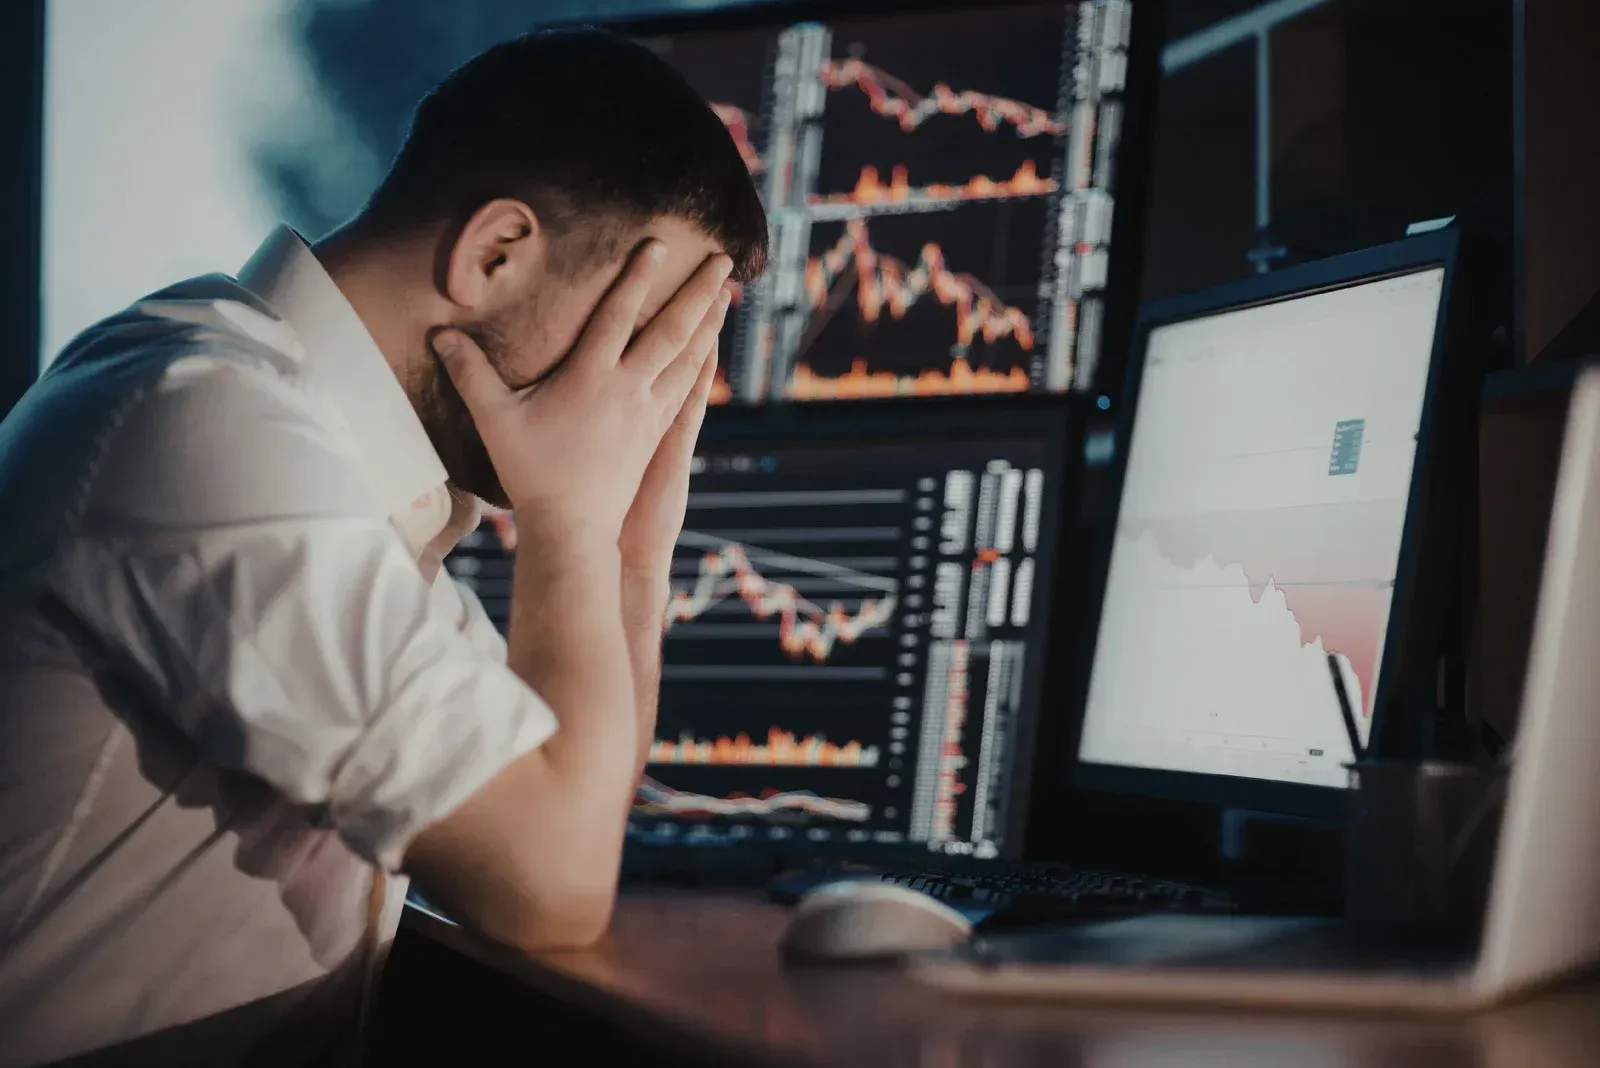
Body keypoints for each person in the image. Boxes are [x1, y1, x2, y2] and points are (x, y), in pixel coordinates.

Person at [0, 28, 766, 1067]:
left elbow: (573, 808)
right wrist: (570, 525)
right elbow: (546, 883)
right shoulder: (204, 425)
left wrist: (629, 555)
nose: (644, 390)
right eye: (638, 330)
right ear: (494, 253)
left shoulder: (349, 476)